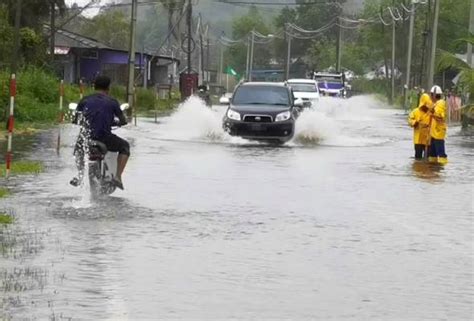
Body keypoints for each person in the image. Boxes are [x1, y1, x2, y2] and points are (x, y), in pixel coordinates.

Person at [70, 75, 130, 189]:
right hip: (105, 138)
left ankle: (79, 175)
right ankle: (117, 176)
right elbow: (123, 120)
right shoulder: (112, 102)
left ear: (94, 86)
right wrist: (116, 123)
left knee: (78, 149)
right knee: (125, 147)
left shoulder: (85, 100)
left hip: (87, 138)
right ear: (108, 88)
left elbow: (75, 120)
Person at [427, 85, 448, 165]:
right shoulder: (436, 104)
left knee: (441, 154)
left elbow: (440, 116)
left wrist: (432, 112)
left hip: (438, 132)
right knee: (432, 154)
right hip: (434, 132)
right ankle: (433, 168)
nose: (430, 96)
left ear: (434, 95)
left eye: (431, 94)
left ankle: (442, 168)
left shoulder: (440, 103)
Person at [408, 92, 432, 159]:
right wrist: (415, 122)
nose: (426, 106)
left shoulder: (431, 113)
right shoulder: (415, 112)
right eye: (425, 105)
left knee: (428, 158)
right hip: (418, 139)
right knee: (418, 157)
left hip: (428, 139)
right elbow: (410, 120)